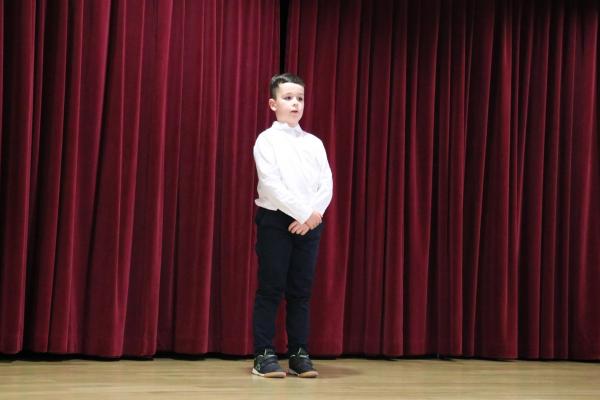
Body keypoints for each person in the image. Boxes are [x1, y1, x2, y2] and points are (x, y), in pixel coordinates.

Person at [251, 73, 333, 378]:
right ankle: (263, 354)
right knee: (271, 288)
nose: (295, 103)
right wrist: (303, 213)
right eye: (288, 98)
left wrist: (313, 215)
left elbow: (326, 182)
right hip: (276, 221)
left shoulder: (314, 143)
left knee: (301, 291)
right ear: (273, 104)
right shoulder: (266, 140)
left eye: (299, 98)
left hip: (310, 224)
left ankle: (299, 353)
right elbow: (271, 184)